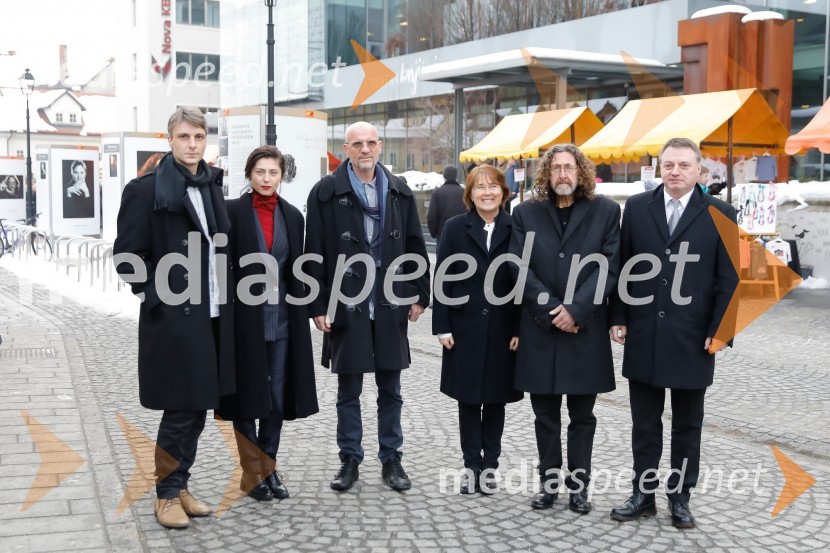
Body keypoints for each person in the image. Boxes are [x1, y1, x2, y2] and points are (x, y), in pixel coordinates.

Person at [113, 106, 235, 529]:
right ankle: (165, 494)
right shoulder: (145, 190)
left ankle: (180, 484)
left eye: (198, 138)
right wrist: (156, 296)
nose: (192, 145)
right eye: (184, 137)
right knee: (181, 408)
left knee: (199, 405)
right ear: (170, 140)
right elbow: (128, 256)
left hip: (214, 313)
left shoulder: (211, 185)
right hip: (176, 316)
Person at [609, 137, 738, 529]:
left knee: (687, 425)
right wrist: (619, 316)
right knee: (644, 424)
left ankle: (680, 498)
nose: (676, 171)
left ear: (700, 170)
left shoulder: (721, 212)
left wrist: (722, 331)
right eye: (668, 165)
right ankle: (643, 495)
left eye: (684, 165)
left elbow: (731, 279)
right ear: (659, 169)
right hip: (644, 335)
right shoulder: (635, 208)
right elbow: (622, 267)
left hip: (693, 339)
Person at [305, 121, 430, 493]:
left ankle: (391, 458)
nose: (365, 150)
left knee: (391, 388)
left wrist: (420, 293)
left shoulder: (399, 191)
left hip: (389, 302)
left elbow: (413, 245)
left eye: (371, 143)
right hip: (347, 303)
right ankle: (349, 459)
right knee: (349, 390)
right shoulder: (325, 192)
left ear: (379, 147)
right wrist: (318, 303)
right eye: (357, 144)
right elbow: (315, 253)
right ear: (345, 149)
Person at [509, 143, 621, 514]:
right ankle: (548, 484)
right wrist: (551, 308)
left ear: (581, 172)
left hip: (583, 331)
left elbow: (609, 266)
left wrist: (575, 310)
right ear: (546, 174)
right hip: (540, 330)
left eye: (569, 168)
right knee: (544, 416)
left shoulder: (606, 211)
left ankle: (579, 487)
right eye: (555, 168)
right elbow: (518, 267)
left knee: (583, 417)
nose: (562, 174)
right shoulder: (525, 213)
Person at [217, 145, 319, 502]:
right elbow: (221, 268)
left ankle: (268, 468)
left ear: (281, 176)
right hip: (243, 320)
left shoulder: (293, 216)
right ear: (249, 174)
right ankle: (252, 472)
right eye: (260, 172)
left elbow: (298, 269)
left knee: (276, 398)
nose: (266, 179)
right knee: (246, 398)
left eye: (273, 173)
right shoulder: (230, 212)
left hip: (283, 319)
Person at [432, 164, 522, 495]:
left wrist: (520, 328)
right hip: (463, 327)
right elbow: (441, 277)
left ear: (503, 191)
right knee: (468, 399)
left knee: (495, 399)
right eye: (479, 187)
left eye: (493, 186)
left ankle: (491, 466)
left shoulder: (516, 228)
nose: (487, 192)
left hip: (503, 329)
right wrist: (441, 325)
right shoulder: (455, 228)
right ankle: (472, 465)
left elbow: (523, 281)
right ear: (469, 194)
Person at [426, 165, 466, 249]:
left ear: (444, 176)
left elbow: (431, 216)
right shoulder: (464, 192)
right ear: (456, 176)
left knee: (443, 260)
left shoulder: (437, 192)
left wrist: (434, 233)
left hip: (442, 232)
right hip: (461, 233)